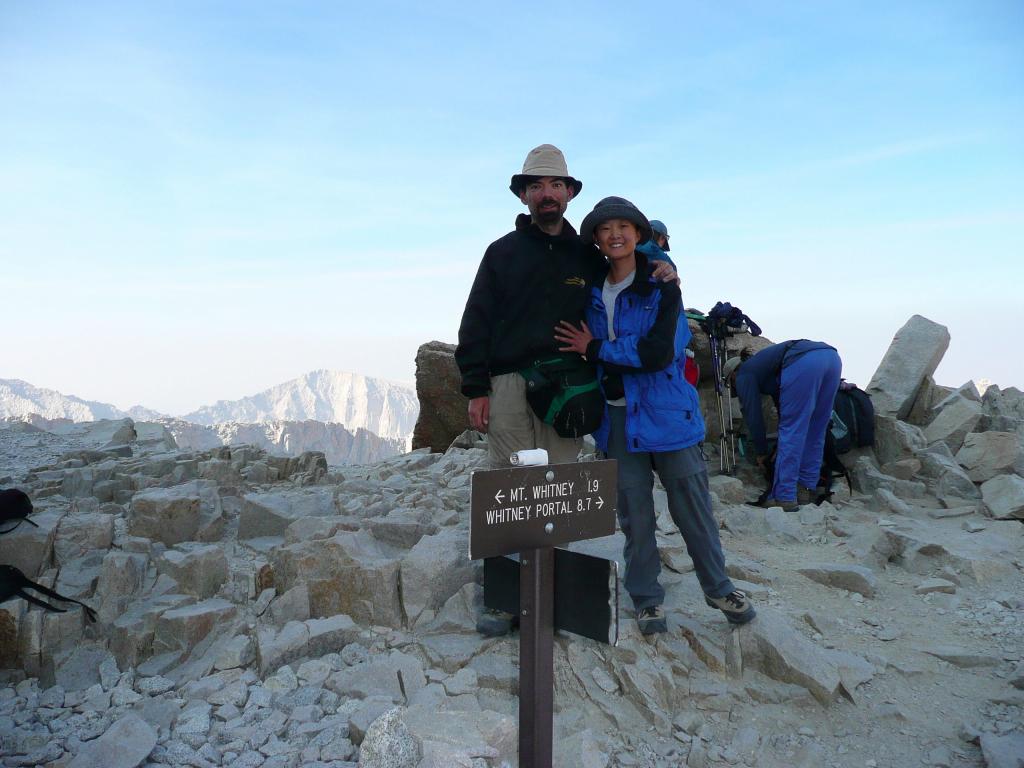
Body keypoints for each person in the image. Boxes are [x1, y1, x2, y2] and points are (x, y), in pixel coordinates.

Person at [456, 146, 676, 637]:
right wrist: (476, 387)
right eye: (536, 186)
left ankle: (546, 588)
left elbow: (629, 264)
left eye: (555, 185)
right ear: (524, 194)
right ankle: (504, 596)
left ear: (570, 193)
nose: (546, 193)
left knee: (556, 486)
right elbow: (476, 320)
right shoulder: (502, 252)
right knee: (510, 483)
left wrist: (661, 264)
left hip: (568, 385)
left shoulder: (586, 253)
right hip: (511, 381)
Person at [554, 196, 755, 635]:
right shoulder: (589, 289)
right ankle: (646, 598)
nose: (615, 235)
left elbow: (657, 352)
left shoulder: (663, 286)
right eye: (606, 229)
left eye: (625, 227)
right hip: (617, 419)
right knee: (634, 514)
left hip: (667, 415)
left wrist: (597, 349)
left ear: (640, 235)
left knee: (692, 508)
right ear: (596, 239)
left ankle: (718, 588)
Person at [721, 340, 842, 511]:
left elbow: (753, 416)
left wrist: (761, 452)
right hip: (832, 358)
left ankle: (784, 497)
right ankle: (805, 490)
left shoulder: (744, 374)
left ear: (732, 375)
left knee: (791, 432)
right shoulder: (765, 366)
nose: (735, 387)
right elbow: (783, 402)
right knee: (816, 431)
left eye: (731, 384)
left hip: (804, 362)